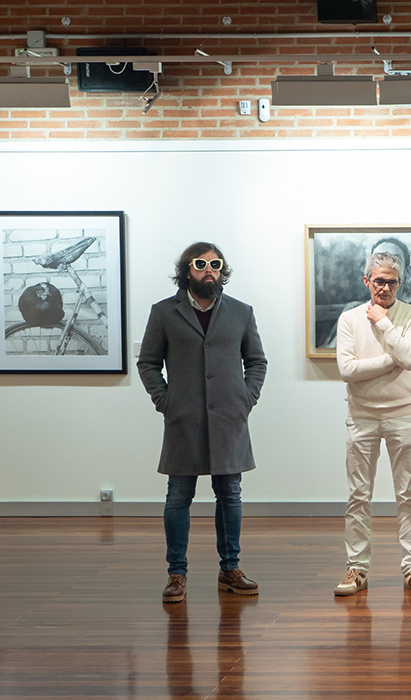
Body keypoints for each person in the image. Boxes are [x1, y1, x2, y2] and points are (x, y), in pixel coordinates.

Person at [138, 242, 267, 604]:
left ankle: (231, 569)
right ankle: (176, 574)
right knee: (178, 497)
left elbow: (257, 361)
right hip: (184, 419)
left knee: (230, 495)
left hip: (229, 419)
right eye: (200, 264)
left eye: (215, 264)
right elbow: (148, 363)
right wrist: (165, 401)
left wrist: (247, 398)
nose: (208, 269)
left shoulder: (241, 312)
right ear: (186, 270)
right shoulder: (164, 312)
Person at [334, 250, 411, 597]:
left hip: (402, 414)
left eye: (392, 282)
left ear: (399, 283)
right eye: (379, 281)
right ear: (367, 281)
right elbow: (348, 370)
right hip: (361, 416)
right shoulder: (348, 319)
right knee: (358, 496)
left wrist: (384, 322)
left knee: (408, 493)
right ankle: (356, 569)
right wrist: (393, 360)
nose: (385, 287)